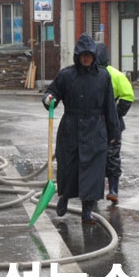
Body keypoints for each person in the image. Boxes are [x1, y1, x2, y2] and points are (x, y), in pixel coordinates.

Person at [42, 33, 120, 224]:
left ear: (94, 55)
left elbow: (110, 106)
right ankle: (64, 197)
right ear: (77, 56)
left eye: (89, 55)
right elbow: (52, 92)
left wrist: (113, 132)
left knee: (92, 172)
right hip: (71, 127)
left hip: (95, 129)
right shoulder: (66, 75)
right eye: (83, 55)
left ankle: (87, 210)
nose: (86, 58)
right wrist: (49, 99)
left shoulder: (103, 76)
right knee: (69, 167)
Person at [94, 43, 134, 204]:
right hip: (110, 123)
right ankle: (112, 190)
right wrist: (116, 114)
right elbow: (128, 96)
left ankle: (98, 190)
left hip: (98, 123)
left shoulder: (100, 74)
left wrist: (114, 114)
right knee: (112, 157)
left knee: (95, 157)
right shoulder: (116, 75)